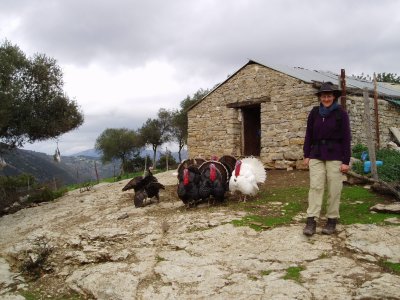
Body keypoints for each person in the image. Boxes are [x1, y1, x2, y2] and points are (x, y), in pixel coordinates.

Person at [302, 82, 351, 236]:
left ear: (334, 97)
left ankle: (331, 220)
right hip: (316, 153)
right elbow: (309, 134)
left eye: (329, 96)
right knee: (316, 186)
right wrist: (306, 154)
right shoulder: (315, 113)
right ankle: (311, 220)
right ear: (320, 97)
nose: (326, 98)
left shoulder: (341, 113)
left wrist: (346, 161)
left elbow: (346, 137)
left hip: (335, 154)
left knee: (334, 187)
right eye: (324, 96)